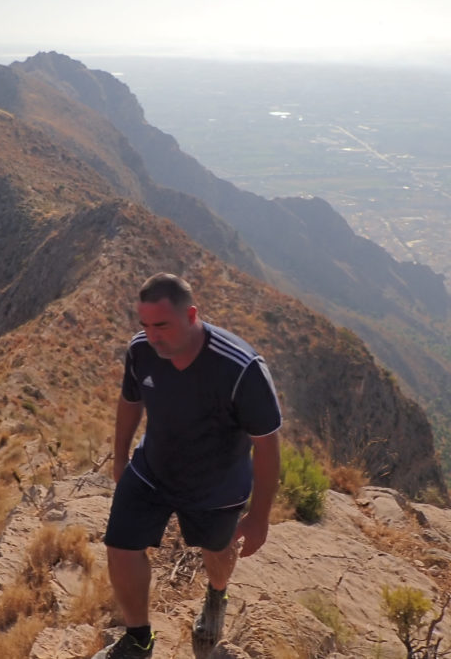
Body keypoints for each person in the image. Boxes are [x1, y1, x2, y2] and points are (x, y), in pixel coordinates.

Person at [95, 273, 282, 659]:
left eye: (161, 325)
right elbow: (130, 401)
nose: (152, 335)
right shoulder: (141, 350)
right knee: (120, 545)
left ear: (192, 314)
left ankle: (216, 595)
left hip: (216, 485)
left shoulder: (241, 368)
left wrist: (260, 517)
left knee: (217, 550)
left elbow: (267, 446)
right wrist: (120, 457)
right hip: (153, 469)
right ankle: (138, 639)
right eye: (144, 325)